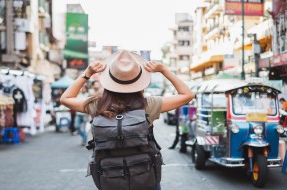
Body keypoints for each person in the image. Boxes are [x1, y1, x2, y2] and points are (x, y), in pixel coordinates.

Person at [60, 50, 195, 190]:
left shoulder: (97, 105)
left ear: (109, 79)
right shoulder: (149, 105)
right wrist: (164, 70)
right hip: (145, 176)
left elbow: (65, 99)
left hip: (110, 177)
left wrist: (87, 73)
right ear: (139, 80)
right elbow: (187, 95)